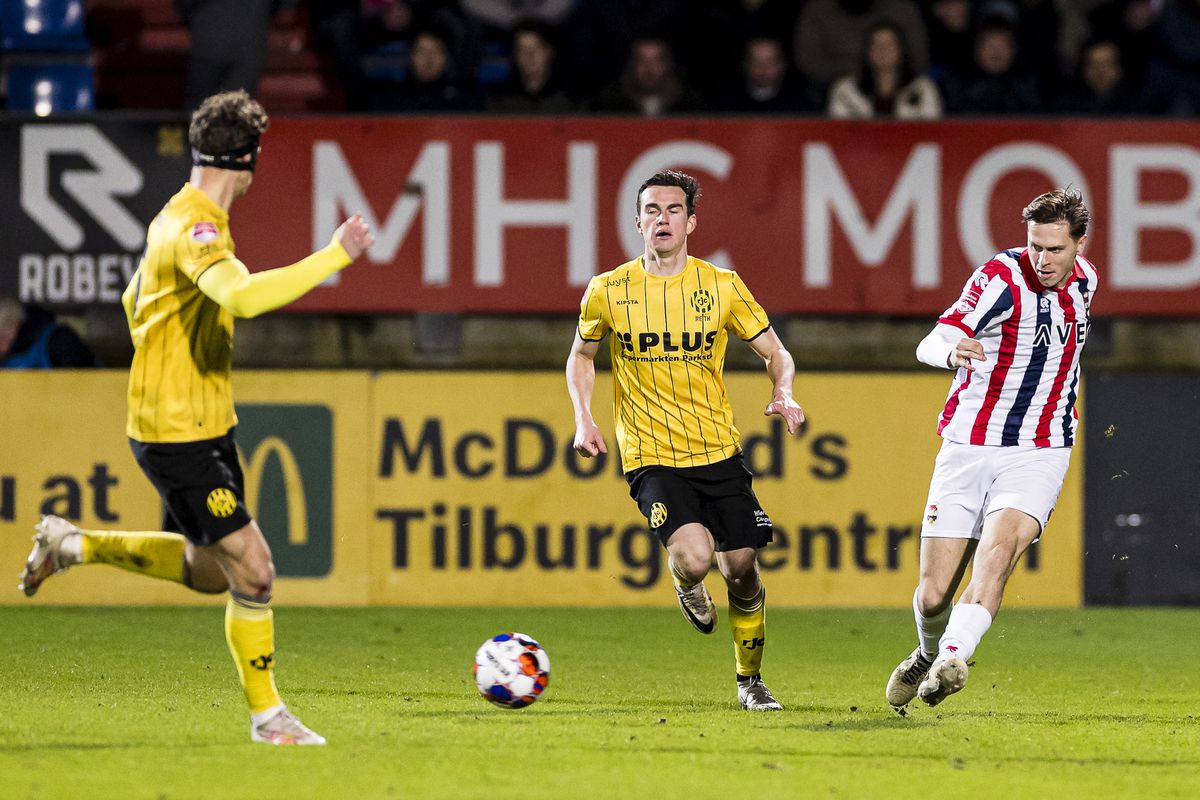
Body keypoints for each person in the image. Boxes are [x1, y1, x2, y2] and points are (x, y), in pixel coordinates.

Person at [18, 90, 375, 745]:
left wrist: (162, 345)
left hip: (198, 422)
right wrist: (334, 257)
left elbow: (133, 298)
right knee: (256, 569)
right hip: (177, 429)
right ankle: (270, 720)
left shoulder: (174, 217)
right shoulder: (198, 226)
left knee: (211, 571)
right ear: (247, 161)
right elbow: (238, 295)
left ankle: (71, 543)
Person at [565, 170, 805, 711]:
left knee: (741, 566)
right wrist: (583, 417)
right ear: (637, 222)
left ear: (691, 222)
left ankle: (750, 681)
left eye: (673, 210)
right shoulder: (610, 289)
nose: (662, 219)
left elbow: (776, 352)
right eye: (652, 210)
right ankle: (685, 581)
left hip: (718, 450)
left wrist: (783, 391)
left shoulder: (720, 286)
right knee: (697, 559)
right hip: (650, 456)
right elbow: (581, 355)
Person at [885, 188, 1098, 710]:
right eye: (1035, 247)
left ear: (1079, 245)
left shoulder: (1087, 281)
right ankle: (929, 652)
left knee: (997, 553)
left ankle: (955, 655)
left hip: (1041, 449)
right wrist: (952, 351)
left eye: (1054, 249)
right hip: (968, 445)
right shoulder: (1001, 277)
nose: (1042, 260)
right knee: (934, 595)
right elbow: (930, 341)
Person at [827, 22, 942, 119]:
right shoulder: (845, 90)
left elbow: (931, 132)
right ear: (867, 51)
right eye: (876, 44)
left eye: (889, 44)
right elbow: (839, 133)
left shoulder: (922, 89)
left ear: (902, 50)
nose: (882, 50)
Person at [0, 297, 97, 368]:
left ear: (14, 325)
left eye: (2, 337)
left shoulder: (58, 341)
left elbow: (83, 385)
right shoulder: (7, 358)